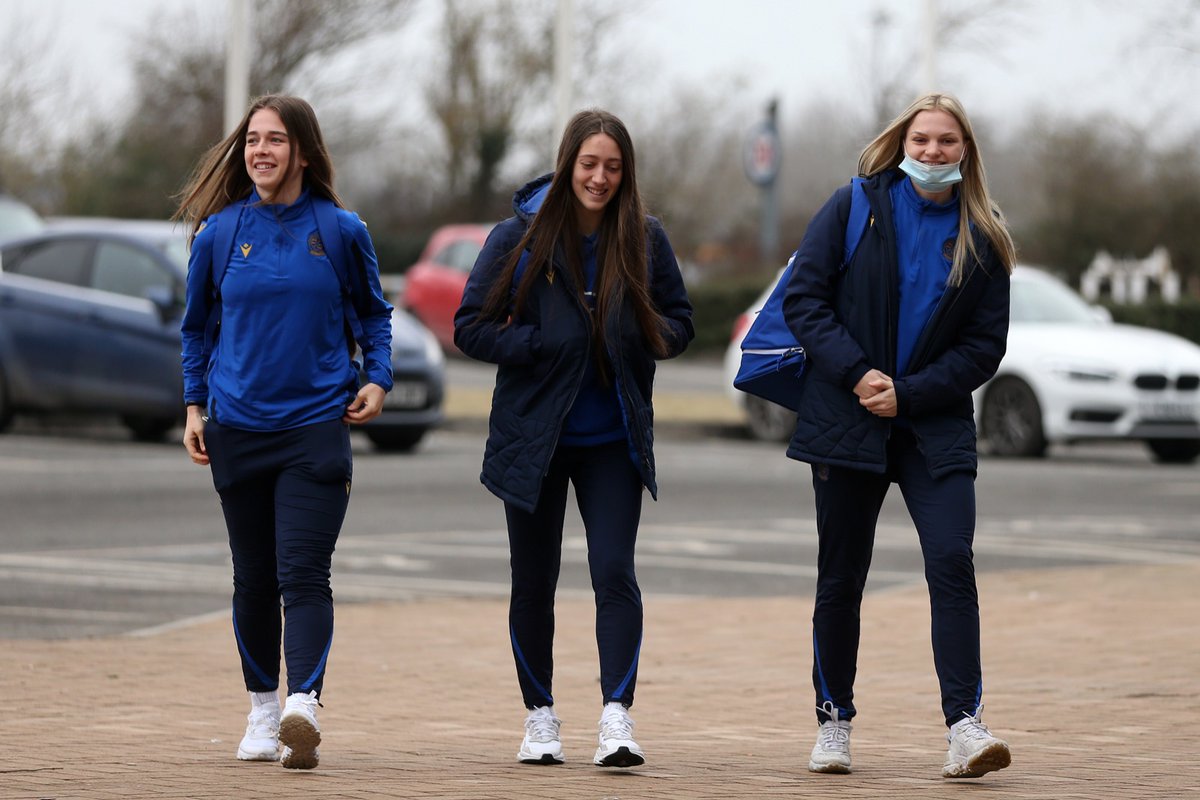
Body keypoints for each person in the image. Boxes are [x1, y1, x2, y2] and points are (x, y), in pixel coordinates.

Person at [781, 92, 1016, 779]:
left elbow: (983, 349)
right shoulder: (856, 204)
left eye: (947, 142)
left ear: (965, 150)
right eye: (922, 141)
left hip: (933, 425)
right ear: (902, 144)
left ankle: (965, 729)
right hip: (847, 418)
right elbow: (804, 299)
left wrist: (908, 393)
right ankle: (834, 722)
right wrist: (859, 375)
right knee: (840, 578)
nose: (933, 153)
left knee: (951, 562)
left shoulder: (986, 234)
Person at [454, 108, 694, 769]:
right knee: (533, 581)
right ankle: (540, 719)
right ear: (568, 165)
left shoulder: (644, 238)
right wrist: (535, 343)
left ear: (626, 174)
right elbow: (469, 326)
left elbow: (681, 322)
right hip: (534, 437)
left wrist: (648, 337)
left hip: (612, 437)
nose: (600, 177)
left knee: (614, 573)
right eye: (589, 164)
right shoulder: (518, 238)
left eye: (613, 167)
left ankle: (617, 718)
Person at [175, 94, 394, 770]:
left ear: (302, 150)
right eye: (251, 141)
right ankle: (262, 712)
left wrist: (377, 379)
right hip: (237, 428)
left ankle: (304, 703)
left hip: (314, 429)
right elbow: (196, 330)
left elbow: (375, 316)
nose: (260, 151)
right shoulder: (218, 234)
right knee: (253, 577)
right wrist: (192, 406)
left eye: (274, 140)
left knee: (303, 572)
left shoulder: (340, 229)